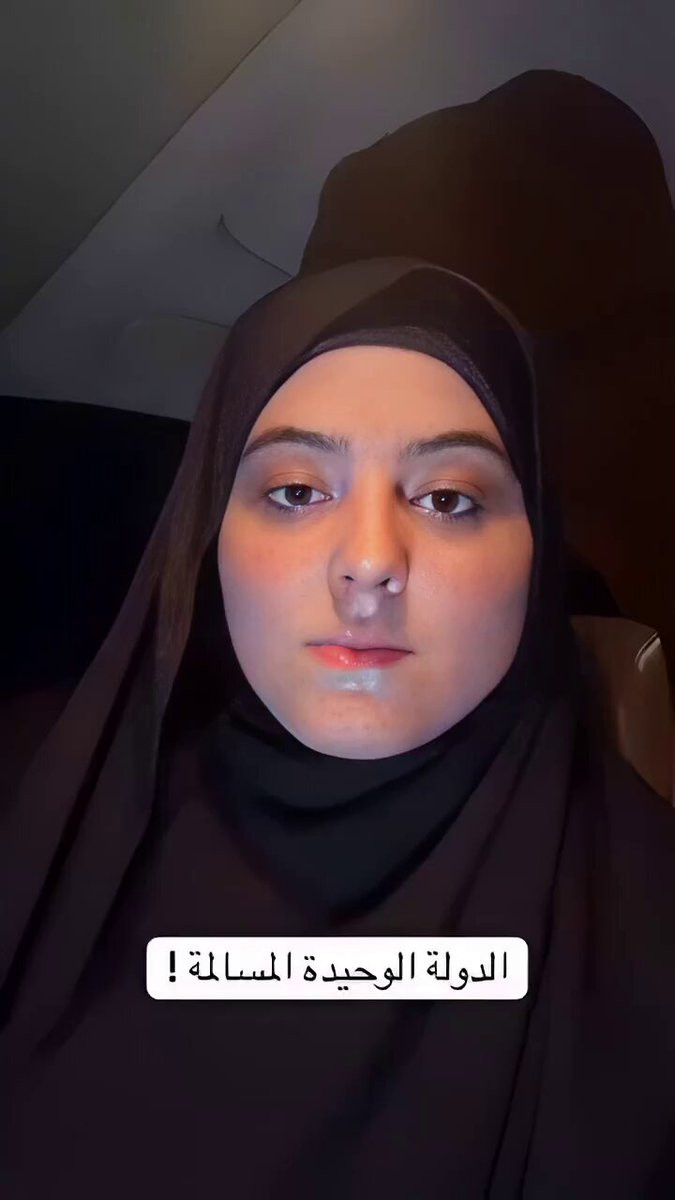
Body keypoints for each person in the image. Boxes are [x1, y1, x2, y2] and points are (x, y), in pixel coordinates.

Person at [1, 258, 674, 1198]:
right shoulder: (26, 788)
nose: (367, 561)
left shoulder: (650, 919)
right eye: (294, 491)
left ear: (536, 550)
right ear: (207, 533)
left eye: (447, 498)